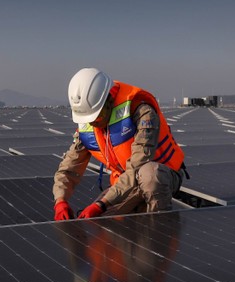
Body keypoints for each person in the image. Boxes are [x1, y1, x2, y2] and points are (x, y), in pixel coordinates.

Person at [53, 68, 187, 220]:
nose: (93, 122)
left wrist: (102, 203)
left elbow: (137, 167)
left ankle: (160, 226)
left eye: (97, 116)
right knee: (96, 221)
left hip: (163, 176)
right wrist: (60, 201)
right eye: (89, 119)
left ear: (109, 99)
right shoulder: (89, 124)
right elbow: (69, 168)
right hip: (125, 182)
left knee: (150, 175)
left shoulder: (140, 110)